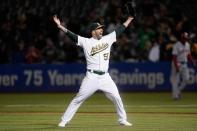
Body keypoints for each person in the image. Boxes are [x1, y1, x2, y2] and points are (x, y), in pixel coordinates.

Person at [53, 15, 134, 127]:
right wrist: (60, 26)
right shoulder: (86, 42)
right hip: (91, 77)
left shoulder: (108, 38)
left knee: (117, 97)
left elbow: (120, 29)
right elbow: (72, 36)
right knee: (78, 98)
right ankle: (64, 120)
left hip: (105, 77)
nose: (101, 30)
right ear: (93, 32)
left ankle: (122, 119)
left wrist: (129, 19)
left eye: (101, 28)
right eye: (98, 28)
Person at [170, 32, 196, 100]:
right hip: (177, 63)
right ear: (181, 38)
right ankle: (175, 96)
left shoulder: (187, 44)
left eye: (186, 38)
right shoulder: (176, 45)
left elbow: (188, 54)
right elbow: (174, 57)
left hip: (184, 63)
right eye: (184, 38)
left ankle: (178, 91)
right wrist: (176, 66)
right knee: (176, 80)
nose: (185, 40)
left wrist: (192, 62)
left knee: (186, 79)